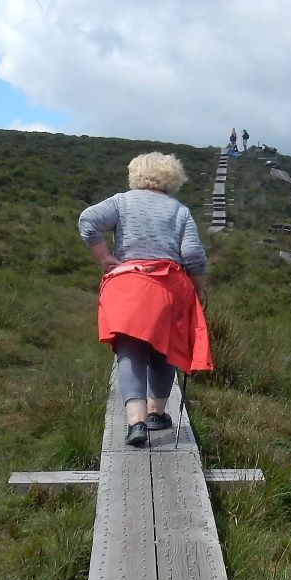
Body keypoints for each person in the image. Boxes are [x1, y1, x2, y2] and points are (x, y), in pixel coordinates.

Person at [78, 152, 211, 446]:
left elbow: (88, 220)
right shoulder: (179, 211)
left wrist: (104, 257)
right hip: (167, 288)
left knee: (129, 349)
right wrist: (198, 287)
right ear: (173, 178)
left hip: (126, 284)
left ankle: (135, 422)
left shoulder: (121, 202)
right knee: (164, 350)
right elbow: (192, 253)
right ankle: (156, 414)